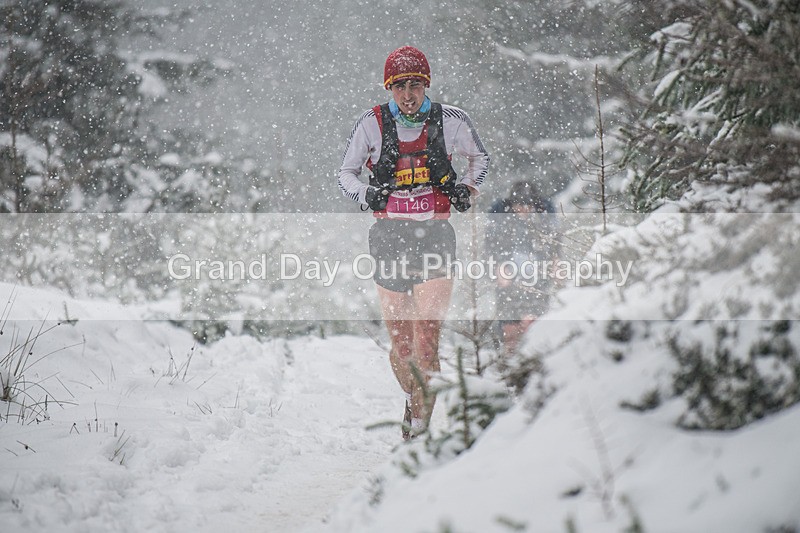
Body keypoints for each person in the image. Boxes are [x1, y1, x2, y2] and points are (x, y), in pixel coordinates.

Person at [338, 46, 490, 440]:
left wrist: (466, 189)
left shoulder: (451, 120)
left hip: (435, 234)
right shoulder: (371, 124)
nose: (409, 94)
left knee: (427, 339)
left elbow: (480, 159)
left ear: (427, 85)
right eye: (401, 86)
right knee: (402, 346)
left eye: (416, 85)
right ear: (390, 88)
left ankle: (419, 429)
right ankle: (413, 394)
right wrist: (365, 196)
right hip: (389, 236)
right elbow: (346, 173)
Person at [485, 180, 558, 359]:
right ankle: (509, 355)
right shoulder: (501, 220)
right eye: (519, 205)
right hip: (509, 279)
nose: (523, 209)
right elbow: (491, 246)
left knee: (533, 321)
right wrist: (498, 267)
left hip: (537, 279)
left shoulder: (544, 219)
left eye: (527, 205)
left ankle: (533, 355)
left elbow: (554, 245)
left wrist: (554, 265)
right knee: (509, 325)